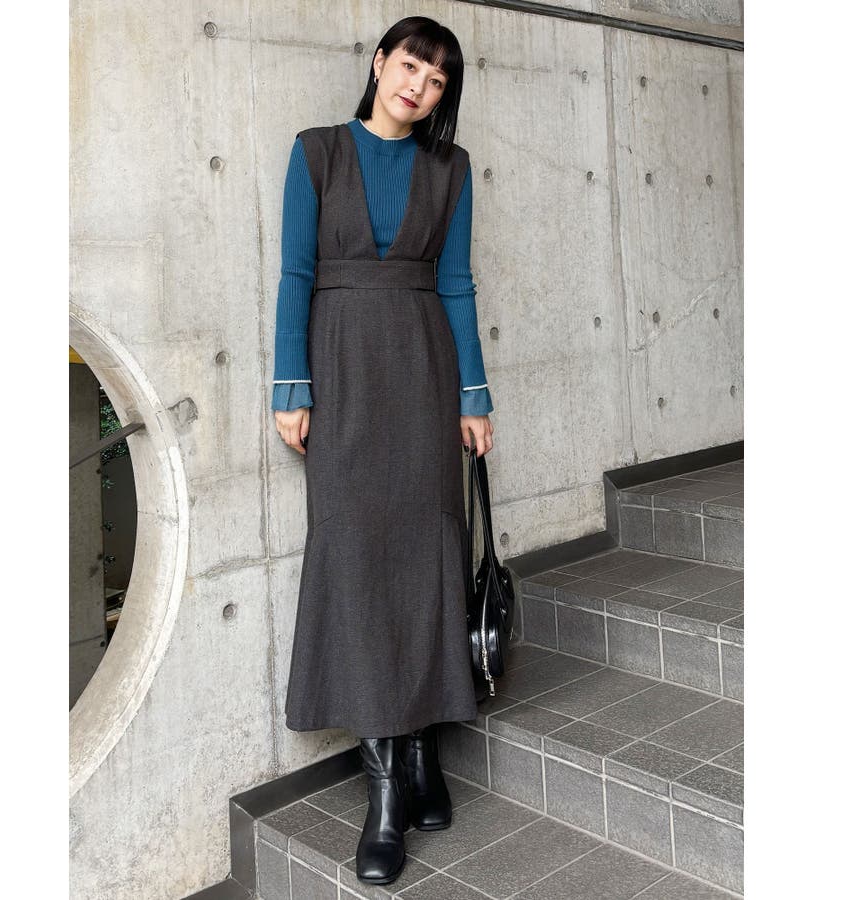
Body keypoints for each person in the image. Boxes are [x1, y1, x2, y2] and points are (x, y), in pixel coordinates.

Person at [271, 16, 494, 886]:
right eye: (410, 68)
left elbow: (457, 283)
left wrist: (474, 397)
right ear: (379, 63)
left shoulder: (451, 168)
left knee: (428, 557)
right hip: (343, 375)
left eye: (437, 82)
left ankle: (424, 754)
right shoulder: (317, 152)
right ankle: (387, 790)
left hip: (424, 375)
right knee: (358, 560)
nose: (419, 89)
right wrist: (292, 386)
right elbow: (295, 275)